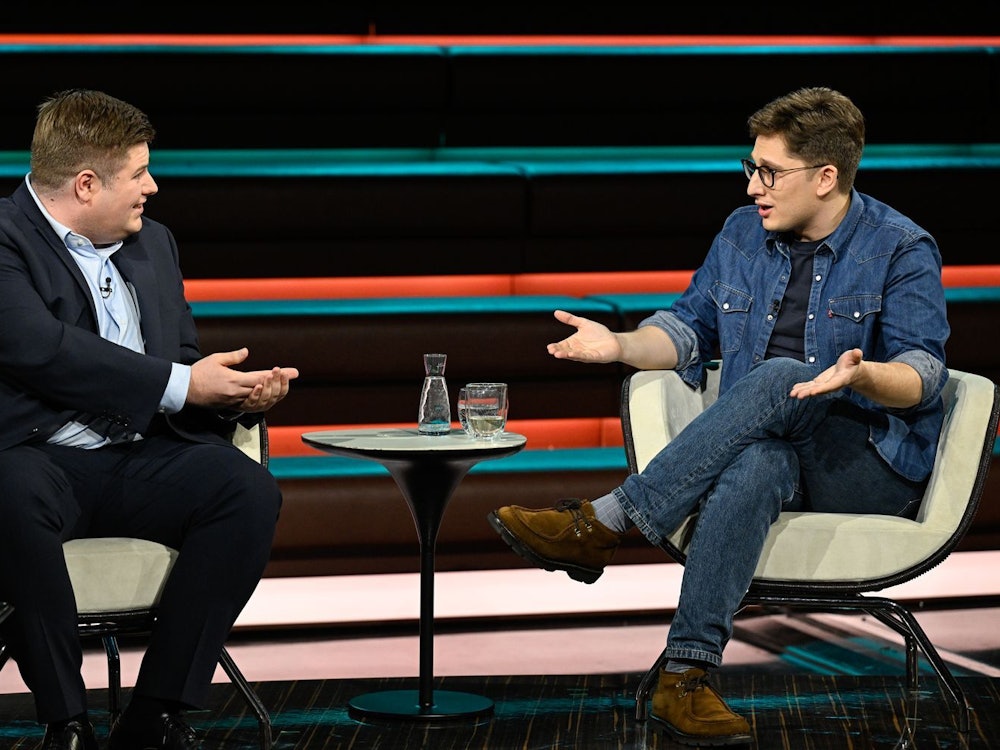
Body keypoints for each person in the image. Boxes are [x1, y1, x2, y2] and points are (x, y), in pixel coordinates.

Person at [488, 86, 949, 747]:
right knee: (758, 462)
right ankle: (687, 678)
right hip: (775, 452)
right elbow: (686, 329)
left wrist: (861, 374)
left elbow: (924, 379)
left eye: (770, 173)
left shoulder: (899, 248)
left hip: (869, 463)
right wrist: (620, 346)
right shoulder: (741, 233)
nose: (754, 187)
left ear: (825, 178)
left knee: (785, 375)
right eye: (750, 168)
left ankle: (608, 520)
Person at [0, 89, 299, 750]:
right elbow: (40, 350)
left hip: (140, 456)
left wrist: (228, 394)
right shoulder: (4, 239)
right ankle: (66, 720)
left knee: (244, 491)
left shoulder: (153, 244)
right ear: (85, 183)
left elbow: (180, 359)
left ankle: (157, 711)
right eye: (138, 172)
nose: (152, 186)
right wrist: (185, 383)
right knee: (8, 495)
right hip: (32, 456)